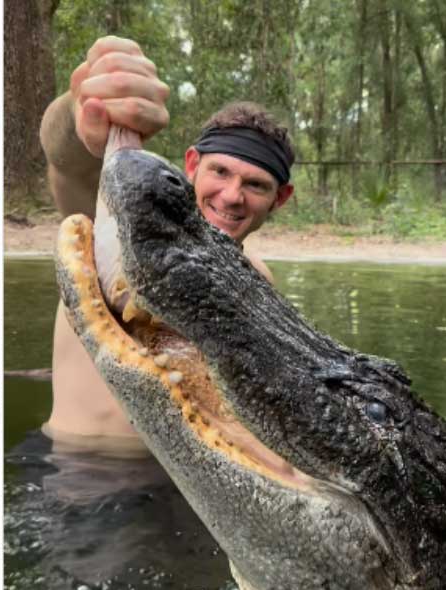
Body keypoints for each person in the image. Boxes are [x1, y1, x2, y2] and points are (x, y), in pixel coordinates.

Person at [39, 36, 294, 442]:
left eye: (256, 185)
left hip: (186, 486)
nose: (232, 195)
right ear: (192, 164)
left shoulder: (258, 282)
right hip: (76, 478)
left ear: (280, 198)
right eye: (221, 172)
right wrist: (80, 115)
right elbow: (71, 173)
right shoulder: (126, 234)